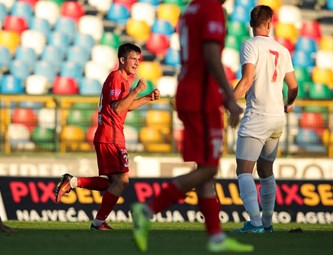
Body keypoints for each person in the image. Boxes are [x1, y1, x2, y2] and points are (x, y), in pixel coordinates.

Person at [130, 0, 254, 253]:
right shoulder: (211, 9)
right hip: (201, 97)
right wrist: (229, 98)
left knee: (205, 169)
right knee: (209, 168)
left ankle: (216, 238)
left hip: (189, 90)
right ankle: (147, 210)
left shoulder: (190, 10)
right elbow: (210, 55)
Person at [54, 43, 160, 230]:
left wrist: (147, 98)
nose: (136, 63)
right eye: (132, 59)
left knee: (114, 183)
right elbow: (117, 108)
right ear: (122, 60)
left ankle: (72, 182)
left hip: (110, 134)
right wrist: (137, 90)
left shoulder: (122, 79)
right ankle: (98, 222)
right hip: (111, 136)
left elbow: (125, 105)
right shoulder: (116, 78)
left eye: (138, 59)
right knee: (122, 181)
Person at [232, 5, 298, 233]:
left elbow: (247, 80)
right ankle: (268, 223)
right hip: (277, 117)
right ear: (270, 23)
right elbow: (294, 86)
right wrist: (289, 103)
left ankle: (256, 223)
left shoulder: (250, 46)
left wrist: (228, 102)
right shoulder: (283, 49)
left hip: (257, 116)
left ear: (251, 23)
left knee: (243, 170)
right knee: (266, 171)